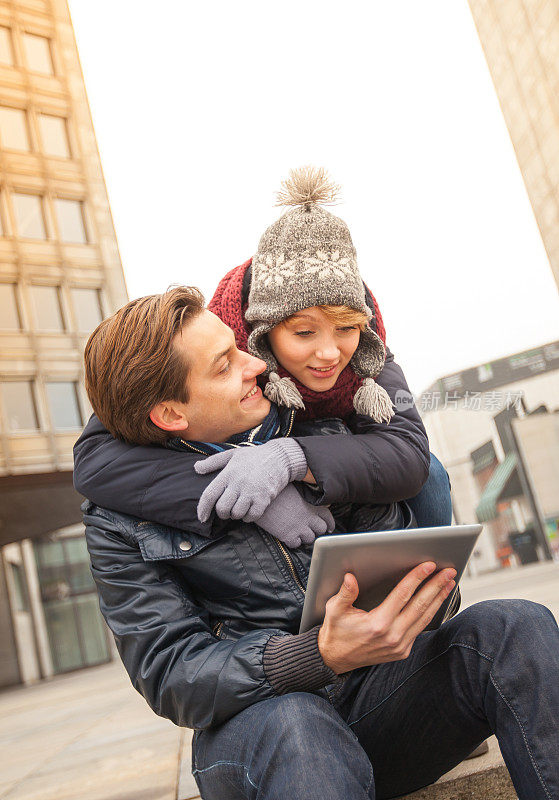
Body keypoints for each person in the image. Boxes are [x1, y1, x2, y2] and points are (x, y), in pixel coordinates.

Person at [79, 287, 559, 800]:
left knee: (517, 626)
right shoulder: (117, 521)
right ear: (171, 414)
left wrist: (421, 601)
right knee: (300, 726)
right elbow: (171, 673)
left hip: (381, 700)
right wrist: (317, 654)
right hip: (259, 735)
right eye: (224, 366)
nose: (255, 365)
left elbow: (400, 543)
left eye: (238, 347)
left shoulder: (317, 427)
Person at [73, 167, 450, 537]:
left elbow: (406, 452)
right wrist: (246, 498)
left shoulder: (367, 353)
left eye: (346, 328)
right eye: (304, 332)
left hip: (342, 503)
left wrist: (289, 459)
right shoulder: (217, 341)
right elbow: (97, 460)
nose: (330, 353)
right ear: (262, 331)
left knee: (432, 470)